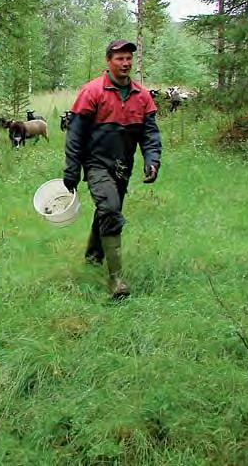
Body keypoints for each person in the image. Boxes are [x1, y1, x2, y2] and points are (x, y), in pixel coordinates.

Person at [63, 39, 162, 299]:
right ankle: (115, 279)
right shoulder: (92, 91)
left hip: (123, 166)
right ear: (108, 61)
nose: (125, 63)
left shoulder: (142, 97)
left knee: (108, 210)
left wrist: (152, 160)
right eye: (120, 58)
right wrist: (72, 168)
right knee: (109, 208)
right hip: (96, 163)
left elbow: (150, 135)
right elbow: (75, 134)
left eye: (128, 58)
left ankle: (93, 257)